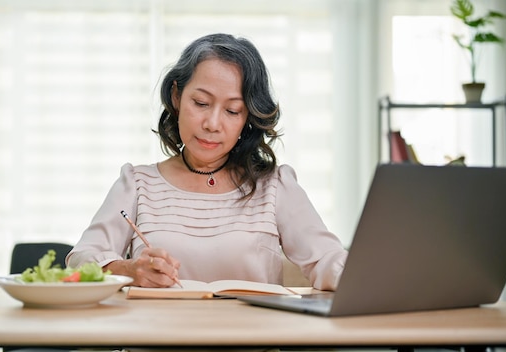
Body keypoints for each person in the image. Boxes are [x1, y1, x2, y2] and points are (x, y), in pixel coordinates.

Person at [66, 33, 347, 291]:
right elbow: (81, 258)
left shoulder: (275, 186)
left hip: (251, 342)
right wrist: (127, 270)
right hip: (155, 341)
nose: (213, 124)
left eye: (232, 110)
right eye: (201, 103)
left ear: (248, 117)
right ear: (177, 97)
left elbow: (328, 260)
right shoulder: (137, 184)